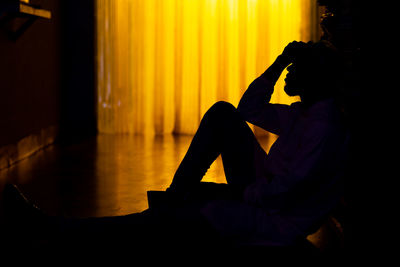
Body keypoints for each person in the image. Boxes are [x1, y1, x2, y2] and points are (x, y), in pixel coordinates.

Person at [2, 40, 349, 253]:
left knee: (159, 225)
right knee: (223, 114)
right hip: (265, 196)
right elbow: (248, 110)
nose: (288, 74)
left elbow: (285, 194)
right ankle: (173, 198)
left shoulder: (323, 127)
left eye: (294, 69)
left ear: (315, 77)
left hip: (272, 218)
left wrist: (240, 196)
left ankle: (55, 229)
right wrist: (277, 64)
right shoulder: (307, 113)